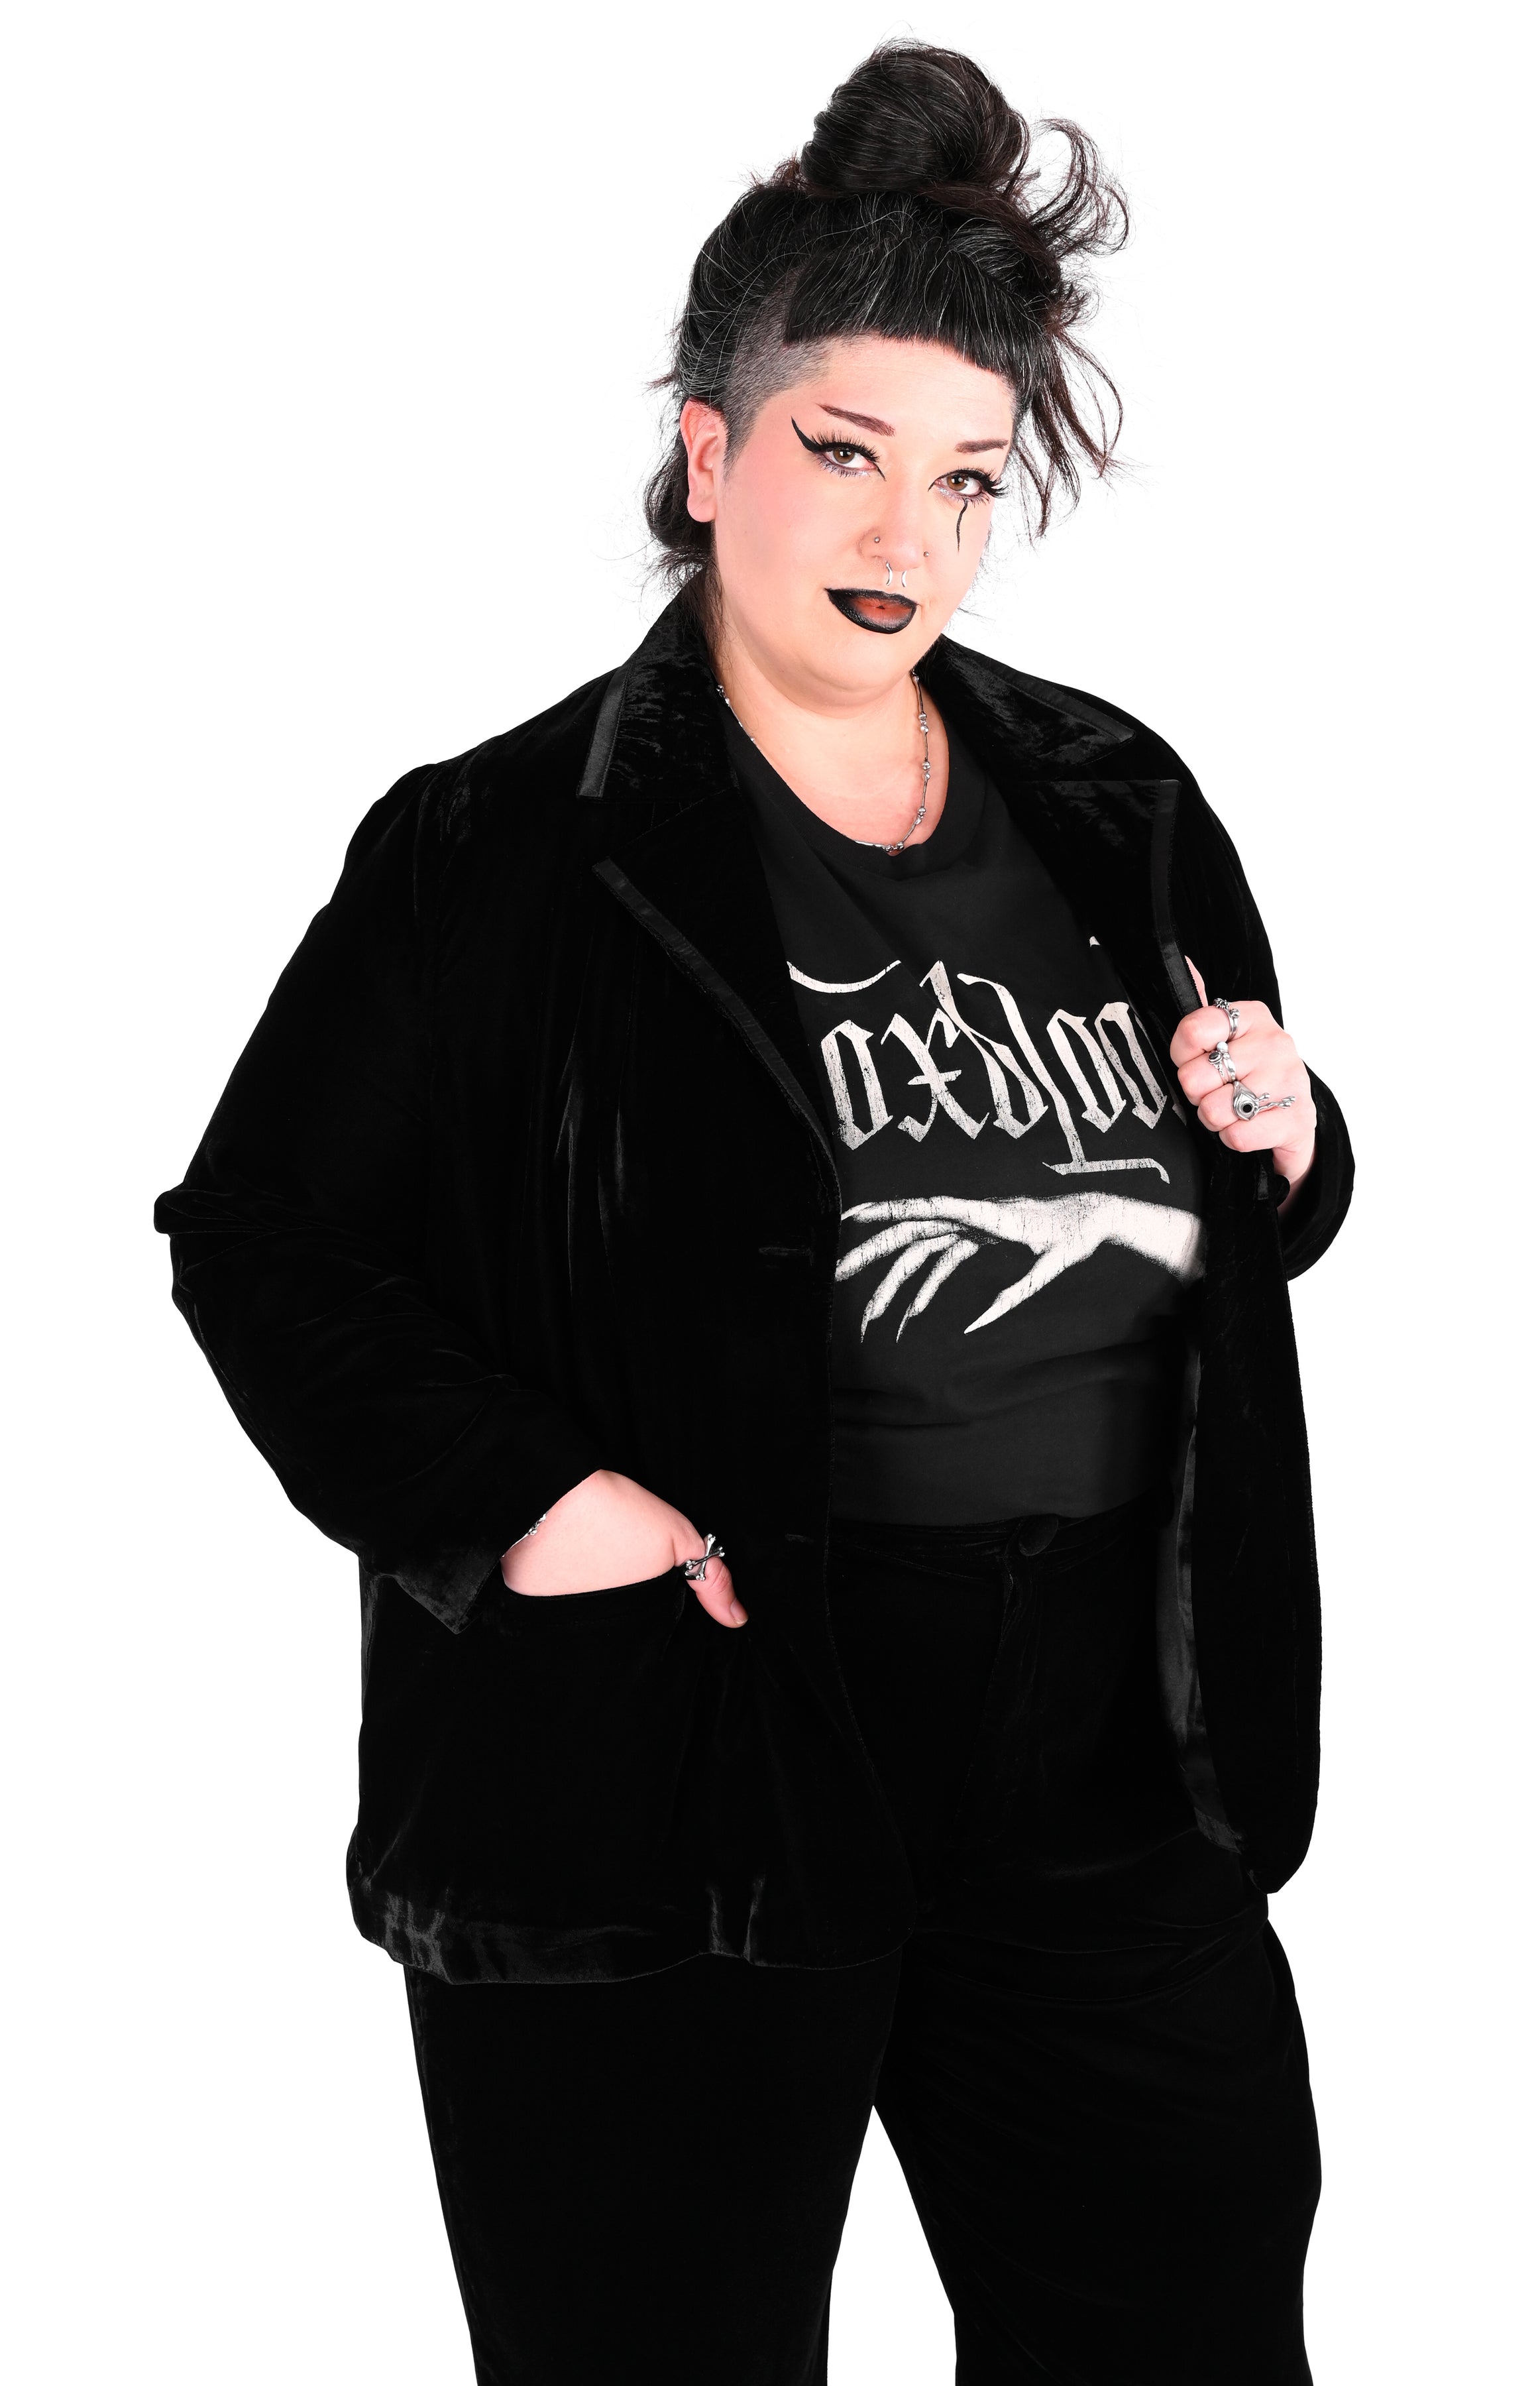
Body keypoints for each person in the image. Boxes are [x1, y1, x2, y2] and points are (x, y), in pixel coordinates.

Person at [155, 40, 1352, 2386]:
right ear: (710, 453)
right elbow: (262, 1235)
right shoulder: (494, 851)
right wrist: (527, 1502)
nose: (910, 534)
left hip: (1106, 1742)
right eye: (845, 452)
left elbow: (1212, 1204)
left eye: (969, 479)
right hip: (683, 1736)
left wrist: (1295, 1136)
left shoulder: (1115, 796)